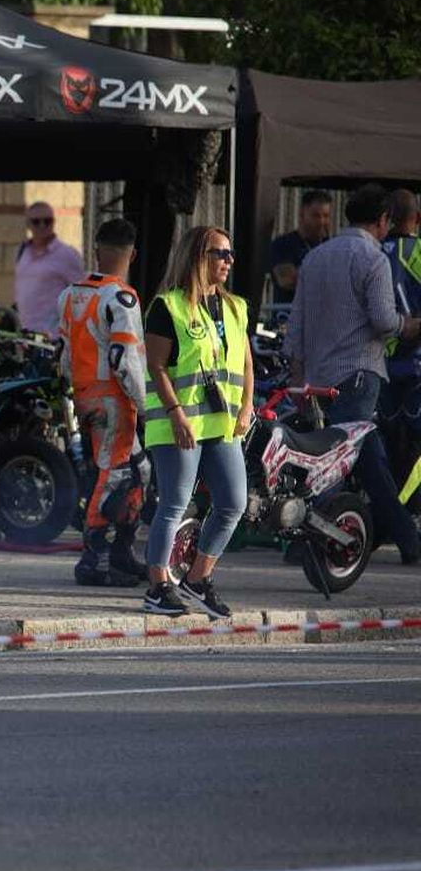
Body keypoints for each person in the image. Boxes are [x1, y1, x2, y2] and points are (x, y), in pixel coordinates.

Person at [288, 184, 421, 563]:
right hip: (359, 375)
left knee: (356, 459)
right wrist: (408, 325)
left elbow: (296, 319)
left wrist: (297, 373)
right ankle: (317, 543)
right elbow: (382, 320)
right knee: (340, 464)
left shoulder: (315, 257)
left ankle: (405, 538)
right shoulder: (372, 257)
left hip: (317, 377)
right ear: (382, 221)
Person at [141, 226, 254, 618]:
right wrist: (175, 414)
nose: (228, 261)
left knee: (233, 503)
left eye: (230, 253)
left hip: (221, 423)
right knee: (174, 503)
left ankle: (198, 579)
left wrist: (246, 407)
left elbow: (245, 361)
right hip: (179, 423)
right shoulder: (168, 306)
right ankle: (158, 586)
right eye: (219, 253)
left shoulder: (236, 307)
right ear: (196, 257)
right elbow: (155, 365)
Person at [58, 219, 149, 588]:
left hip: (85, 396)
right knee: (115, 475)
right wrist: (146, 408)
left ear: (96, 248)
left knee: (137, 471)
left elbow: (64, 355)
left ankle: (121, 553)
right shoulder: (122, 298)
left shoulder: (70, 294)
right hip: (115, 399)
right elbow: (124, 360)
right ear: (133, 254)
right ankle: (95, 557)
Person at [380, 189, 421, 487]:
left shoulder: (372, 252)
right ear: (416, 218)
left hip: (380, 363)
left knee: (389, 442)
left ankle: (389, 512)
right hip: (416, 363)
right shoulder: (418, 252)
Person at [13, 202, 84, 336]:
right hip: (25, 335)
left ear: (53, 222)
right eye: (36, 222)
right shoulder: (22, 251)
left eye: (47, 221)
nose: (42, 226)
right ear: (28, 224)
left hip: (53, 337)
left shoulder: (66, 254)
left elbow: (81, 295)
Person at [269, 189, 333, 313]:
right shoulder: (283, 244)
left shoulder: (333, 246)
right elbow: (287, 280)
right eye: (316, 216)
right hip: (289, 319)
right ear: (302, 215)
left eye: (326, 216)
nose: (321, 222)